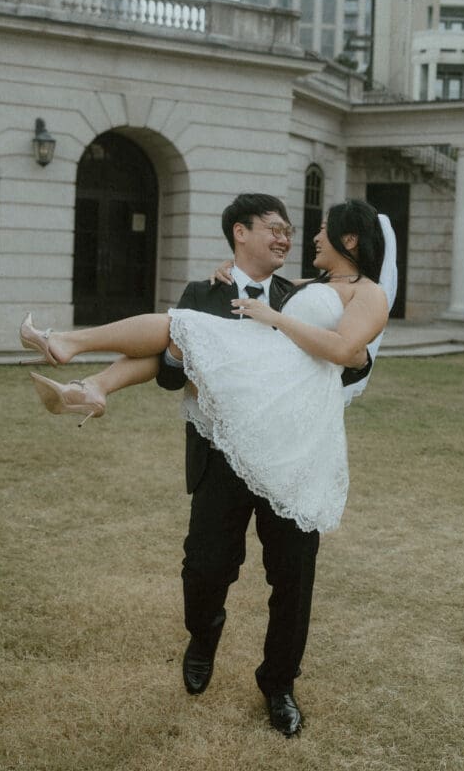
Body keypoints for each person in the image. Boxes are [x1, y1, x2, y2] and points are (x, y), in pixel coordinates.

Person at [20, 194, 395, 736]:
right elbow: (171, 374)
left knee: (292, 577)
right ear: (240, 234)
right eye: (277, 228)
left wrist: (353, 353)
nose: (298, 238)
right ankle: (204, 631)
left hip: (293, 448)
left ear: (349, 239)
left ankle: (280, 685)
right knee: (204, 566)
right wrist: (204, 340)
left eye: (310, 230)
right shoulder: (226, 289)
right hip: (225, 446)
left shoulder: (313, 293)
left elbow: (349, 359)